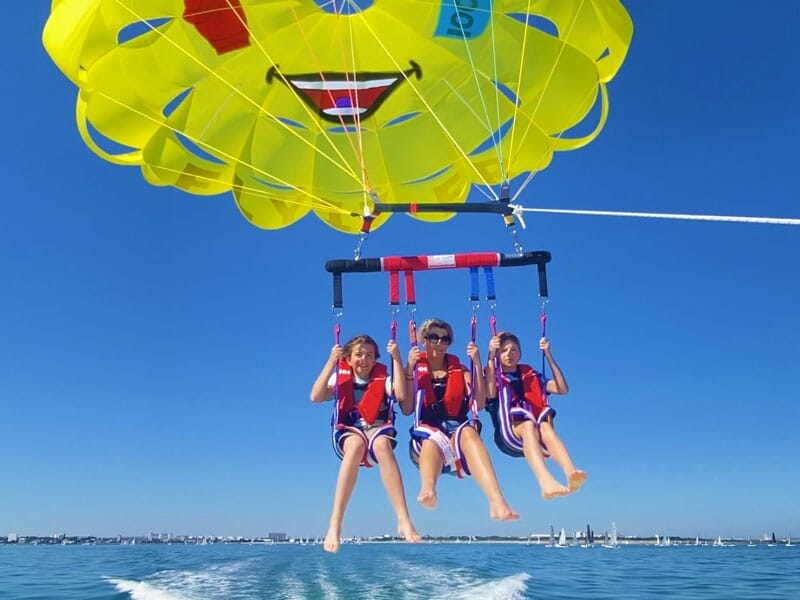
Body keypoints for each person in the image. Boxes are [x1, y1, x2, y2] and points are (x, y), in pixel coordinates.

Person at [310, 334, 421, 553]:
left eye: (369, 355)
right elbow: (315, 396)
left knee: (382, 446)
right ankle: (335, 523)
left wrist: (397, 358)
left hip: (378, 427)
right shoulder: (339, 378)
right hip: (350, 430)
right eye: (359, 355)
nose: (364, 359)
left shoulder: (384, 378)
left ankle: (403, 518)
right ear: (348, 359)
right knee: (355, 447)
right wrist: (332, 362)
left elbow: (400, 393)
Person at [406, 318, 518, 521]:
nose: (440, 343)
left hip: (459, 438)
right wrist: (408, 367)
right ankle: (428, 489)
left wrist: (476, 362)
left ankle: (496, 500)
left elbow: (481, 403)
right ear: (424, 340)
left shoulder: (460, 369)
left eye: (445, 339)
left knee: (469, 431)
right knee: (431, 439)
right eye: (434, 338)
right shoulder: (415, 368)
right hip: (427, 437)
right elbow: (406, 408)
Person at [485, 331, 587, 500]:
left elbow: (562, 389)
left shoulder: (531, 374)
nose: (509, 354)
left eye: (514, 350)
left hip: (536, 437)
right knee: (529, 425)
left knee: (545, 426)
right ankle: (545, 480)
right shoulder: (491, 375)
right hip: (507, 436)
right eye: (503, 350)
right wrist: (490, 355)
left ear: (520, 354)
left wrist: (548, 355)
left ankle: (570, 472)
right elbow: (489, 395)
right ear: (497, 353)